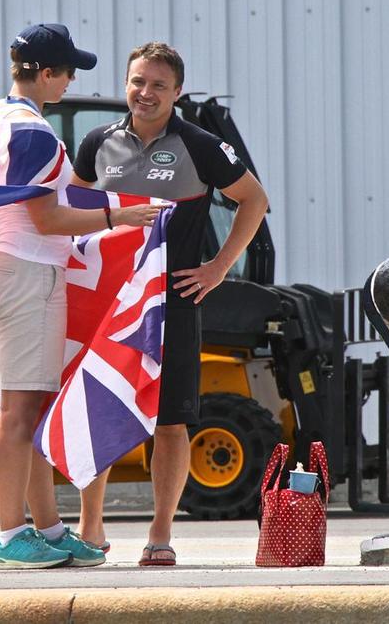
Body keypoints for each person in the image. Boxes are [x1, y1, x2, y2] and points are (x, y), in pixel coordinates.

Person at [0, 24, 166, 570]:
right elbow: (47, 217)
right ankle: (11, 535)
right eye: (68, 70)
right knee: (21, 410)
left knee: (27, 407)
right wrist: (116, 216)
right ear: (47, 73)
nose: (72, 79)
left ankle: (48, 529)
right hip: (27, 272)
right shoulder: (32, 133)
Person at [72, 42, 269, 566]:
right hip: (108, 305)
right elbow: (70, 207)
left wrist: (218, 268)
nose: (146, 92)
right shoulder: (96, 142)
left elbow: (254, 199)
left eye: (159, 84)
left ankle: (160, 536)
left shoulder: (199, 144)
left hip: (173, 303)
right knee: (98, 410)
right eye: (138, 81)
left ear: (176, 92)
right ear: (126, 82)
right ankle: (90, 531)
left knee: (171, 423)